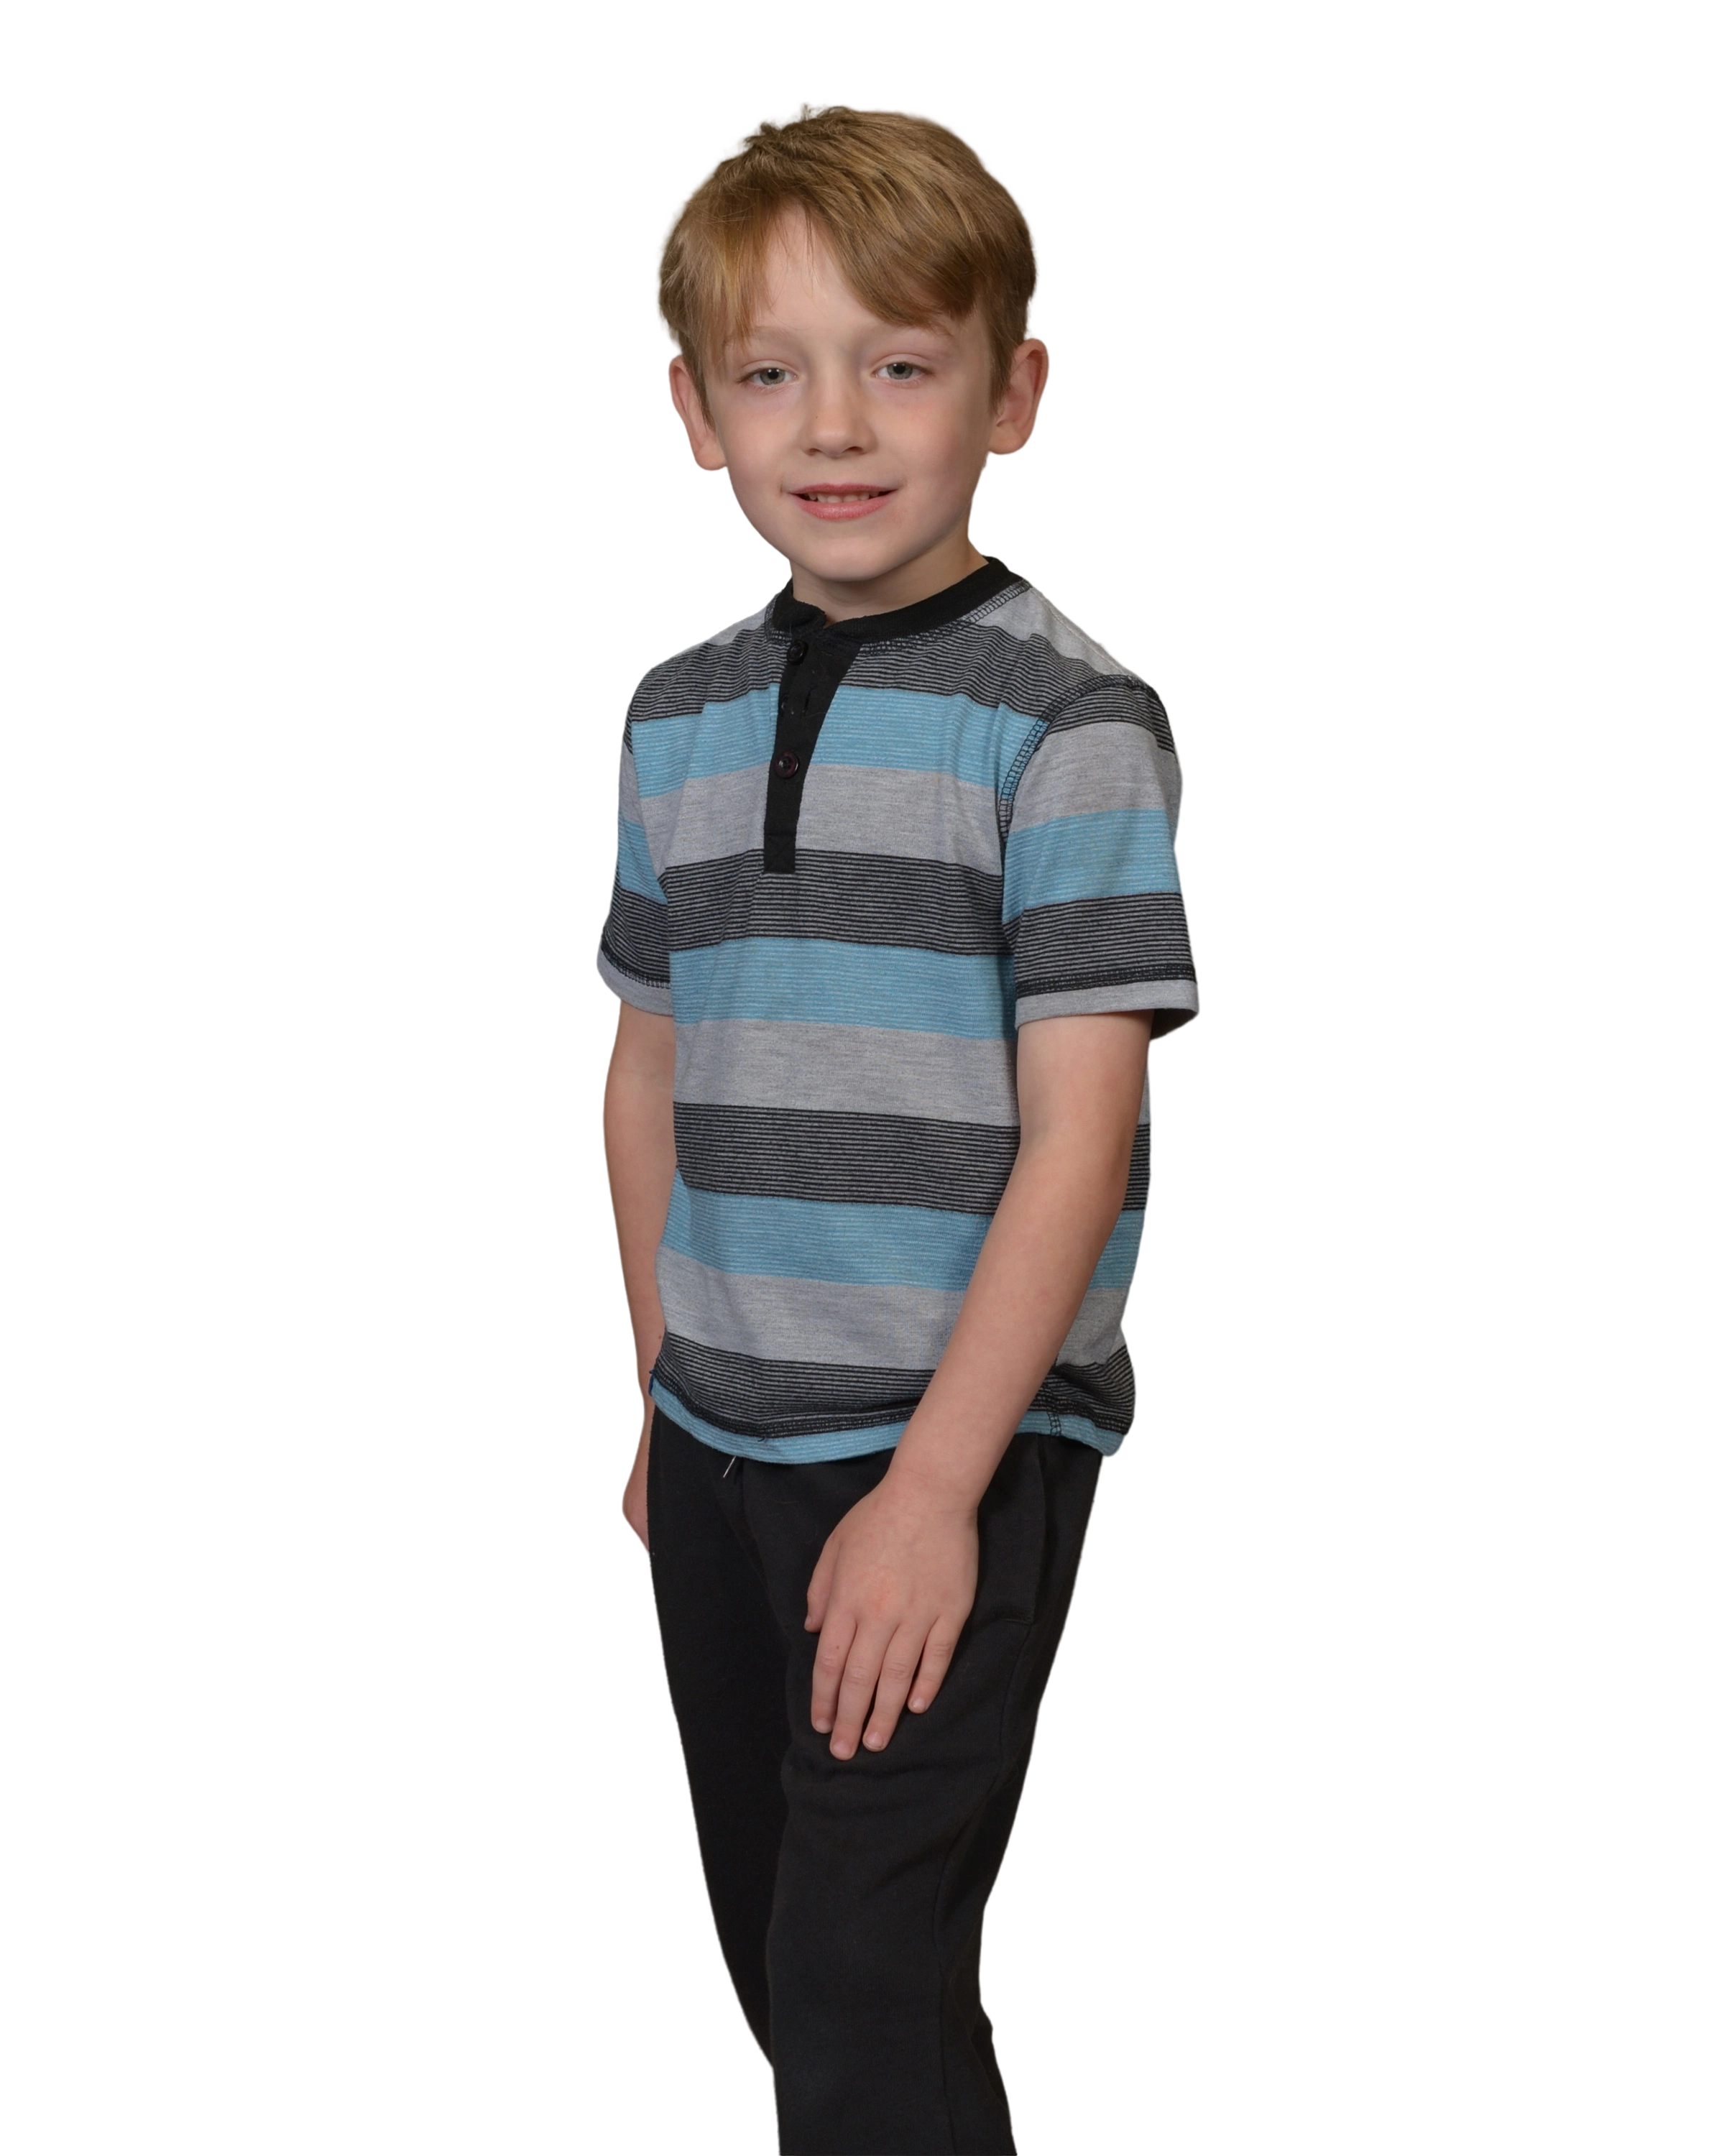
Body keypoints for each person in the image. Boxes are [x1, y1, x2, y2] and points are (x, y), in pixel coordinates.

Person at [594, 98, 1201, 2155]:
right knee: (795, 1970)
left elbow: (1081, 1136)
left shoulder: (1070, 722)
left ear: (1014, 396)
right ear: (697, 415)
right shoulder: (675, 712)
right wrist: (661, 1401)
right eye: (772, 372)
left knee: (863, 1988)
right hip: (721, 1440)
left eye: (903, 364)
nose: (836, 423)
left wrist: (937, 1492)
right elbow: (650, 1070)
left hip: (948, 1448)